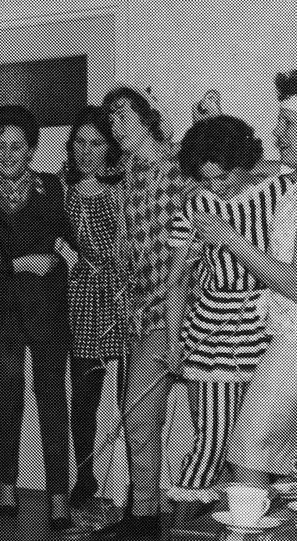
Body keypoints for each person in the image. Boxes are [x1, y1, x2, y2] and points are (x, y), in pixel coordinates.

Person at [192, 70, 297, 486]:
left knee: (247, 452)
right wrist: (213, 131)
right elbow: (250, 172)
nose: (276, 133)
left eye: (287, 124)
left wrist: (229, 238)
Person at [165, 115, 293, 517]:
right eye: (205, 179)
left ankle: (257, 523)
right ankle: (185, 527)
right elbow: (177, 277)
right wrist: (173, 339)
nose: (214, 187)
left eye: (222, 177)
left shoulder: (282, 190)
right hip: (213, 327)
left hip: (269, 324)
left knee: (267, 442)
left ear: (243, 163)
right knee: (213, 440)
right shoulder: (194, 205)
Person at [0, 104, 74, 531]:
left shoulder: (54, 190)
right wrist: (17, 264)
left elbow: (72, 245)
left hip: (47, 312)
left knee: (52, 399)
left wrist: (59, 261)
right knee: (7, 397)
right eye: (0, 145)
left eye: (17, 146)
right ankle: (7, 484)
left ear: (31, 150)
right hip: (1, 314)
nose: (8, 154)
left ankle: (58, 494)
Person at [96, 86, 195, 540]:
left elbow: (189, 246)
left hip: (178, 309)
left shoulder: (177, 167)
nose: (117, 127)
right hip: (138, 312)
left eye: (124, 115)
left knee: (153, 422)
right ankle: (144, 515)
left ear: (147, 117)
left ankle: (152, 518)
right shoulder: (126, 176)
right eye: (112, 120)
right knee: (140, 421)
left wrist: (175, 322)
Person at [60, 106, 127, 509]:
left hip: (123, 295)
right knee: (84, 395)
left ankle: (134, 486)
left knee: (129, 398)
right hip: (82, 294)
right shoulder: (61, 189)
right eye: (79, 143)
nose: (86, 151)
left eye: (96, 143)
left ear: (110, 147)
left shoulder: (123, 188)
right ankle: (84, 476)